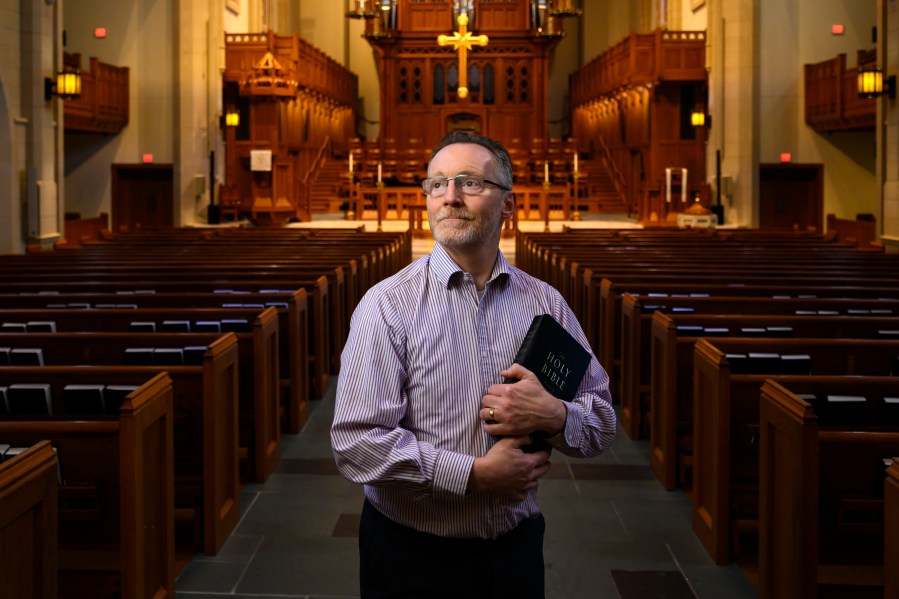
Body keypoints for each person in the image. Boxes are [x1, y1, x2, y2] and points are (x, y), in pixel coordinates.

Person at [331, 131, 617, 599]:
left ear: (508, 204)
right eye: (437, 184)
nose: (450, 197)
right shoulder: (386, 306)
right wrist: (475, 475)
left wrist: (557, 416)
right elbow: (356, 444)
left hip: (515, 549)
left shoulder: (547, 304)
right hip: (410, 554)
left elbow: (603, 424)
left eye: (470, 182)